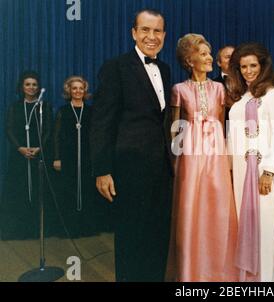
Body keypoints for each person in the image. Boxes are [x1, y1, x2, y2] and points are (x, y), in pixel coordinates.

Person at [89, 9, 173, 281]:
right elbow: (101, 121)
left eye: (157, 31)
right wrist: (102, 170)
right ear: (134, 33)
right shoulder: (116, 67)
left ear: (164, 35)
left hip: (160, 170)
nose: (152, 36)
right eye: (145, 30)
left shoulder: (165, 68)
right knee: (130, 239)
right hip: (129, 169)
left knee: (157, 237)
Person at [165, 34, 239, 282]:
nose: (209, 58)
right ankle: (191, 270)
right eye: (204, 54)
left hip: (216, 152)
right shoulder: (179, 89)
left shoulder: (219, 88)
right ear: (189, 59)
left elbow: (225, 122)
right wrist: (176, 162)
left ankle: (221, 269)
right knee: (192, 208)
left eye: (210, 53)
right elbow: (175, 129)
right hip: (192, 156)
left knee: (219, 206)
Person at [227, 42, 274, 282]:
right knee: (243, 229)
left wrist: (269, 171)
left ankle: (264, 281)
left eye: (253, 65)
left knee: (263, 230)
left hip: (262, 172)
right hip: (239, 170)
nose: (248, 71)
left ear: (263, 66)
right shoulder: (242, 95)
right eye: (243, 66)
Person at [53, 76, 109, 237]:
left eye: (80, 88)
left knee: (87, 190)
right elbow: (56, 136)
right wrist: (57, 158)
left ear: (85, 91)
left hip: (87, 158)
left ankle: (87, 227)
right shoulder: (63, 111)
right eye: (74, 88)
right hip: (68, 157)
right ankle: (70, 229)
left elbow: (97, 136)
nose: (77, 91)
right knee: (69, 191)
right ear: (69, 91)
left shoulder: (91, 111)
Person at [0, 71, 53, 240]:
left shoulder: (44, 107)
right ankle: (17, 231)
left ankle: (37, 230)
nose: (31, 87)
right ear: (22, 87)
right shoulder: (15, 107)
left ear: (39, 87)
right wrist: (20, 148)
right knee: (18, 191)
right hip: (19, 156)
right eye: (27, 84)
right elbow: (8, 129)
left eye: (34, 84)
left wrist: (39, 148)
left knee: (39, 191)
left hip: (38, 154)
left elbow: (49, 130)